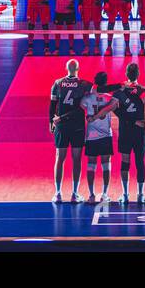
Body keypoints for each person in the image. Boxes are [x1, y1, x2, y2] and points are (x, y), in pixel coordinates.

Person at [49, 59, 92, 203]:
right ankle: (74, 193)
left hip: (61, 126)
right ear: (78, 68)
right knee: (76, 159)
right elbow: (100, 89)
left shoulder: (57, 83)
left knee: (59, 158)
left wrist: (51, 121)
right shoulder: (84, 84)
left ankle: (58, 193)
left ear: (66, 68)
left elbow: (52, 105)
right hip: (77, 126)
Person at [111, 63, 145, 203]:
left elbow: (115, 110)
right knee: (140, 162)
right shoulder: (142, 90)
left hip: (125, 131)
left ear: (126, 74)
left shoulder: (119, 92)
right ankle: (140, 195)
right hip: (139, 132)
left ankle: (125, 195)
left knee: (125, 162)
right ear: (138, 75)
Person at [81, 72, 116, 204]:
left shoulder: (88, 98)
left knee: (91, 165)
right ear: (106, 83)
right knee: (106, 165)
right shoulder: (109, 97)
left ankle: (91, 195)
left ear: (95, 82)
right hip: (106, 135)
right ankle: (104, 194)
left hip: (91, 135)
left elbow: (81, 107)